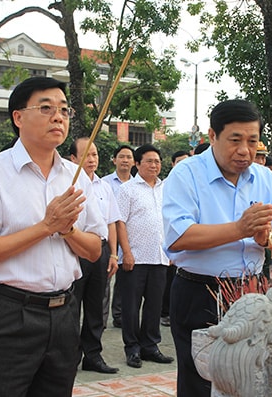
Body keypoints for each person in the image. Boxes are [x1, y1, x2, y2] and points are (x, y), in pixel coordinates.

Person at [0, 77, 105, 397]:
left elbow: (95, 250)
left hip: (65, 313)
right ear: (18, 117)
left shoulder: (76, 177)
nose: (58, 117)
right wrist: (46, 226)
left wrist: (68, 230)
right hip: (7, 316)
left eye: (65, 110)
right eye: (46, 108)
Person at [162, 99, 272, 397]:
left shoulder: (265, 178)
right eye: (235, 140)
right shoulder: (187, 174)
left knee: (250, 378)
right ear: (213, 136)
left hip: (252, 295)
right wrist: (239, 229)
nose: (245, 151)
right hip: (199, 292)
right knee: (200, 380)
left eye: (252, 141)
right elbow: (178, 236)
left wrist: (266, 239)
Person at [116, 144, 174, 369]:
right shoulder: (128, 189)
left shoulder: (165, 189)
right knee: (131, 306)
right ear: (137, 164)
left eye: (157, 161)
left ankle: (150, 346)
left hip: (160, 257)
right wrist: (126, 252)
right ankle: (132, 349)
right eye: (149, 161)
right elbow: (120, 222)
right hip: (135, 258)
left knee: (154, 305)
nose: (154, 165)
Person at [69, 138, 120, 374]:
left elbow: (111, 222)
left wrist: (113, 254)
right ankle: (68, 356)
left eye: (95, 154)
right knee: (71, 304)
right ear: (73, 159)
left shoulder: (104, 186)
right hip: (75, 249)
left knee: (96, 305)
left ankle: (93, 354)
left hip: (100, 250)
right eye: (86, 155)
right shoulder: (68, 184)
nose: (92, 160)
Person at [101, 145, 135, 328]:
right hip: (109, 236)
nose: (125, 160)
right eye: (121, 157)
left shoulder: (138, 184)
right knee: (106, 275)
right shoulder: (104, 183)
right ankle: (102, 318)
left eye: (129, 157)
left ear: (134, 161)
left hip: (130, 237)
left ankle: (119, 315)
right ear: (114, 160)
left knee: (124, 276)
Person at [161, 150, 190, 328]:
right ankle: (165, 313)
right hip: (170, 243)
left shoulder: (192, 185)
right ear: (172, 164)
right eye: (179, 162)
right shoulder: (166, 185)